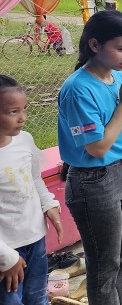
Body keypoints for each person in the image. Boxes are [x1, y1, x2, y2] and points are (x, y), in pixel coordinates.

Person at [57, 10, 122, 305]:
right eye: (121, 48)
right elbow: (97, 148)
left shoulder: (118, 78)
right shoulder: (78, 89)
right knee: (104, 266)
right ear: (95, 45)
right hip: (94, 181)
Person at [0, 75, 62, 304]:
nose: (23, 118)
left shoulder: (24, 140)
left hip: (35, 239)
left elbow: (34, 178)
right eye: (13, 112)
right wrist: (6, 257)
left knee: (37, 297)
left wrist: (49, 204)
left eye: (23, 109)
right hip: (6, 249)